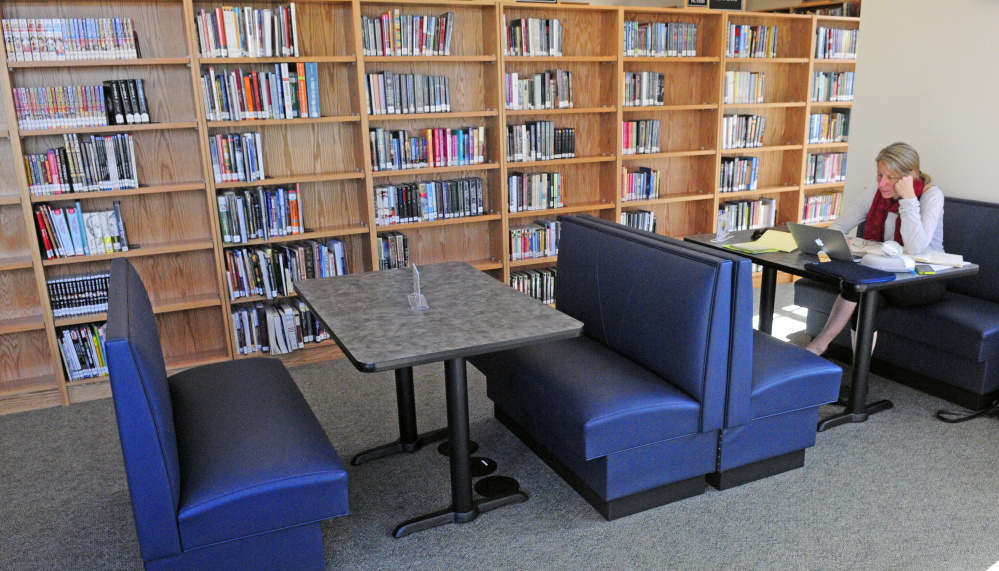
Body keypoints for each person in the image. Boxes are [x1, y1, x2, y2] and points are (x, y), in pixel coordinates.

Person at [804, 142, 945, 356]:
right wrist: (841, 242)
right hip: (884, 270)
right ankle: (859, 379)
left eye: (891, 177)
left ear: (911, 176)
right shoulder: (875, 192)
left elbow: (915, 247)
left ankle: (818, 347)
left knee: (863, 286)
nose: (883, 183)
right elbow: (838, 228)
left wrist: (908, 199)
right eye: (880, 175)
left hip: (923, 277)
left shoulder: (931, 196)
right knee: (864, 297)